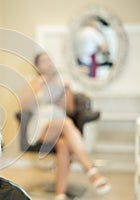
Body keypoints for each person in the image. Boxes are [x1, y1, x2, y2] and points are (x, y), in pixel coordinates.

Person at [20, 52, 111, 200]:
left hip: (60, 121)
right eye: (44, 61)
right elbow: (25, 106)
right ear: (37, 66)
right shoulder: (33, 82)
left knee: (63, 145)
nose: (48, 64)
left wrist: (66, 90)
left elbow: (71, 110)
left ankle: (60, 194)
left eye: (50, 60)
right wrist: (38, 86)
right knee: (67, 123)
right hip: (41, 124)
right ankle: (90, 171)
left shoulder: (60, 82)